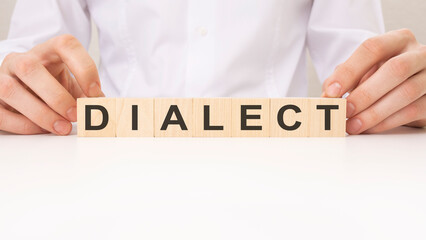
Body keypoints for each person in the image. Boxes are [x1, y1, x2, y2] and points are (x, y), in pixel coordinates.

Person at [0, 0, 424, 136]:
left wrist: (398, 88)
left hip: (286, 172)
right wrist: (15, 82)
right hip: (110, 164)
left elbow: (361, 67)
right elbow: (29, 57)